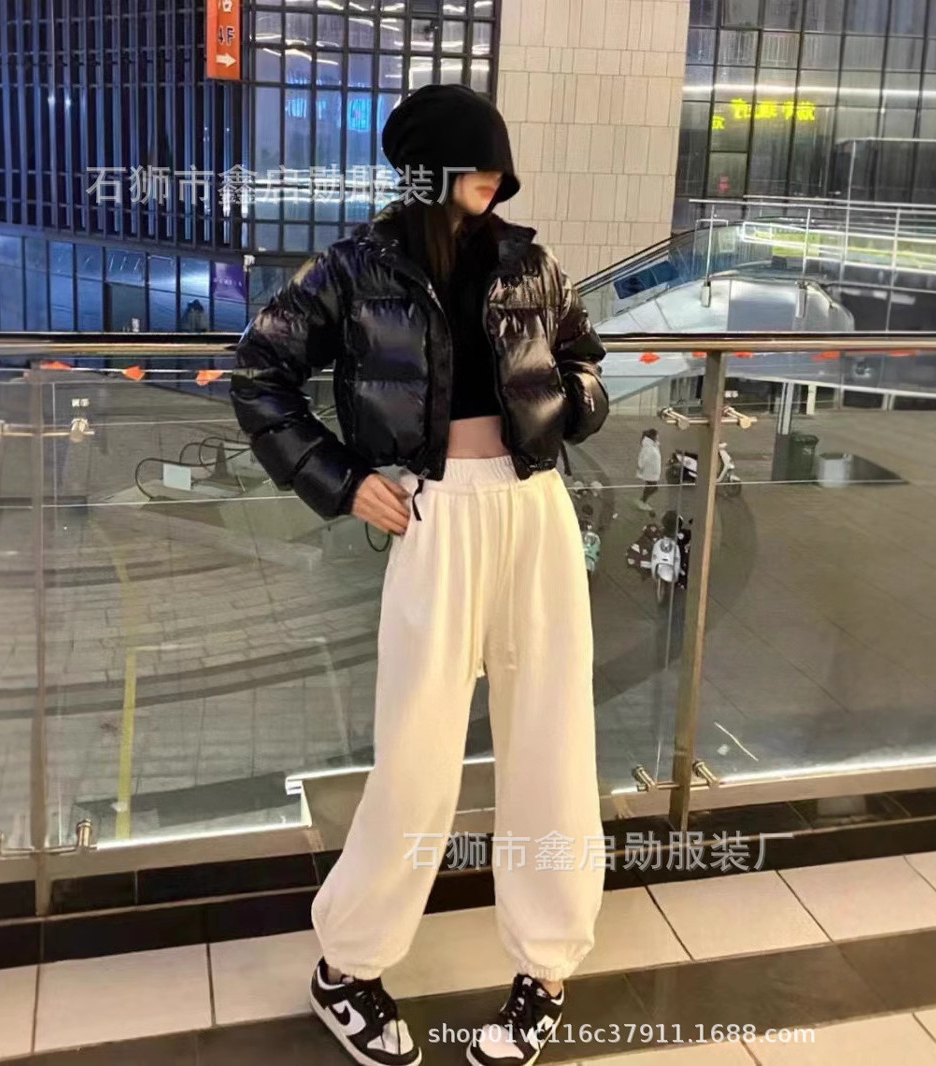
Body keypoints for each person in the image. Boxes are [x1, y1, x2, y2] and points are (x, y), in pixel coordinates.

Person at [230, 83, 609, 1066]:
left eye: (500, 168)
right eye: (481, 165)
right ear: (433, 171)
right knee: (416, 755)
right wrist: (340, 479)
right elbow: (259, 372)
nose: (498, 181)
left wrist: (568, 403)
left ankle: (546, 970)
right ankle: (346, 965)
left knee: (554, 741)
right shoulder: (357, 268)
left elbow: (587, 358)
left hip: (534, 508)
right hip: (432, 515)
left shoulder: (529, 261)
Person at [636, 427, 661, 514]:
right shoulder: (648, 446)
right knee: (652, 487)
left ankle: (642, 501)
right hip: (650, 471)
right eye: (657, 435)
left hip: (653, 470)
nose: (658, 437)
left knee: (652, 487)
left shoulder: (653, 445)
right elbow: (643, 458)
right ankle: (643, 501)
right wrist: (641, 467)